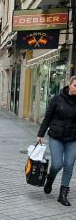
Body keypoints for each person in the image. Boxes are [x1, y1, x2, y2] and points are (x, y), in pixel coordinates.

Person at [38, 76, 76, 206]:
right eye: (75, 85)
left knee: (69, 165)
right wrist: (40, 133)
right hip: (56, 137)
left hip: (73, 138)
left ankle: (62, 194)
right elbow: (48, 117)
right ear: (69, 85)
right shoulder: (57, 99)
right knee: (57, 164)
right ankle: (50, 179)